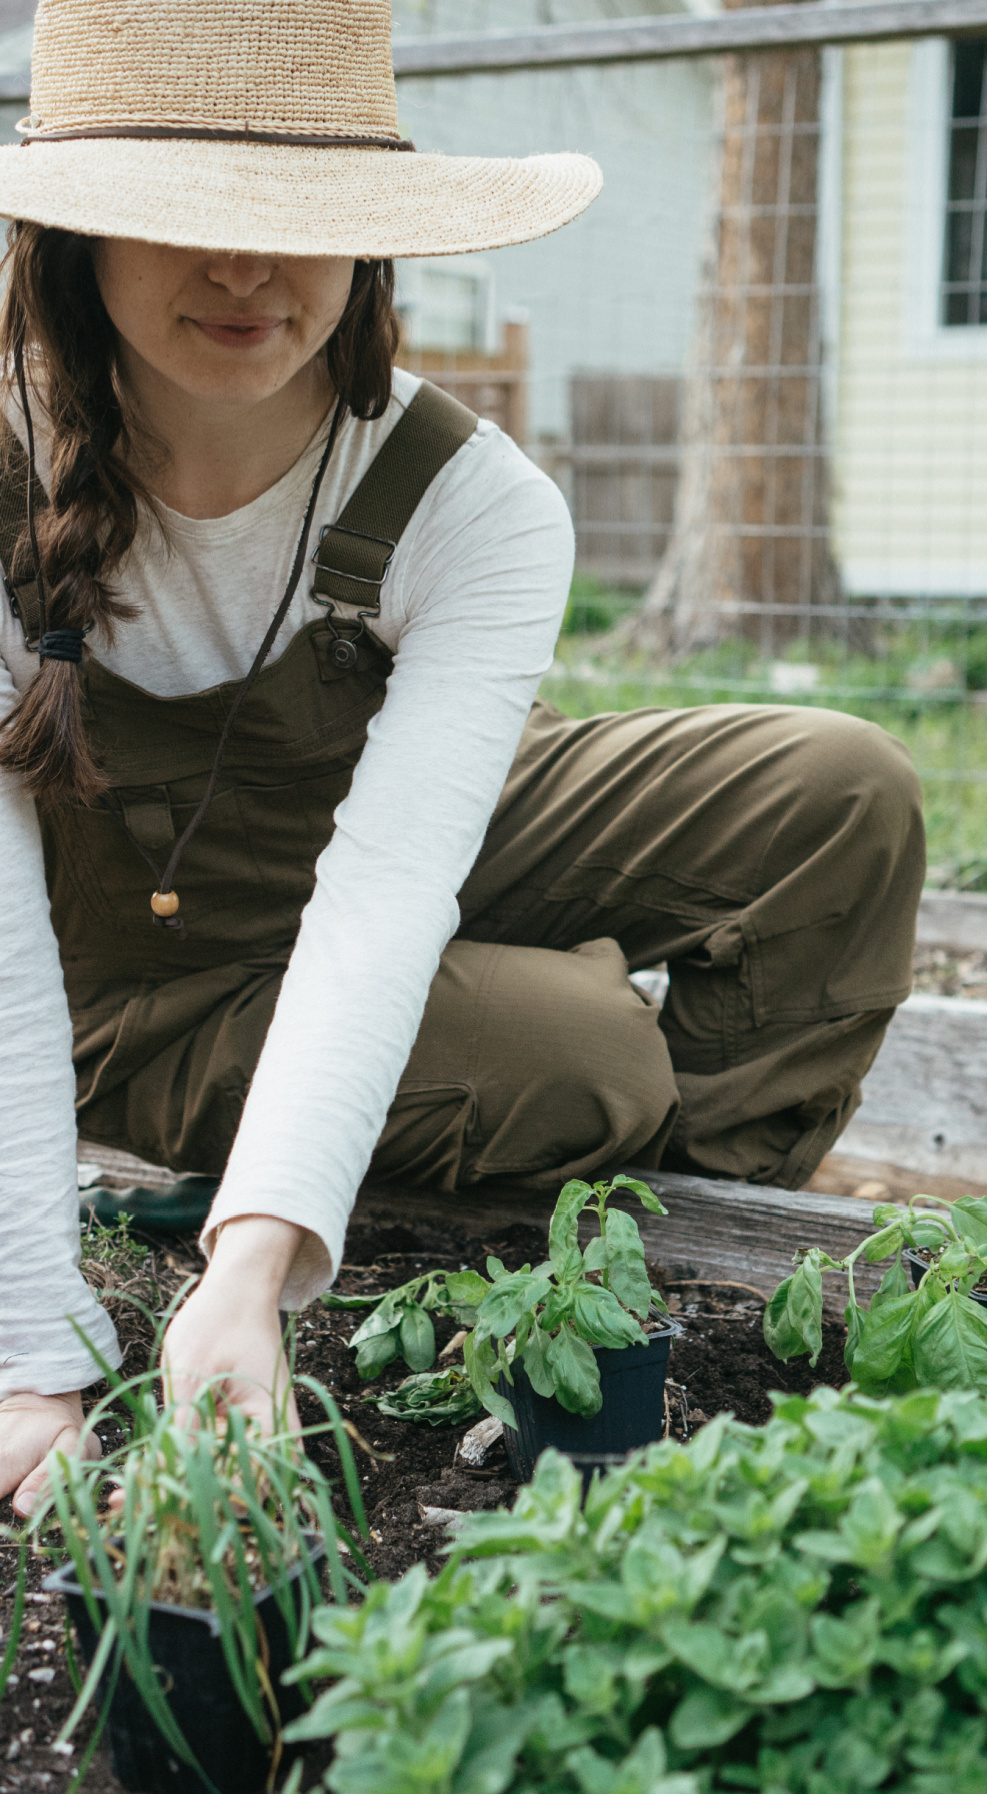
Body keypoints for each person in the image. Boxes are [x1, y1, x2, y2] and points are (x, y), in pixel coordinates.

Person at [0, 0, 924, 1520]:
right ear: (74, 235)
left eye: (301, 217)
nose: (245, 268)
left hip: (387, 860)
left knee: (841, 794)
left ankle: (632, 1255)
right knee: (581, 1053)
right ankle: (481, 1125)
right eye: (184, 217)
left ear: (373, 234)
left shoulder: (468, 498)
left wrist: (251, 1258)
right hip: (161, 978)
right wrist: (40, 1348)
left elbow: (385, 887)